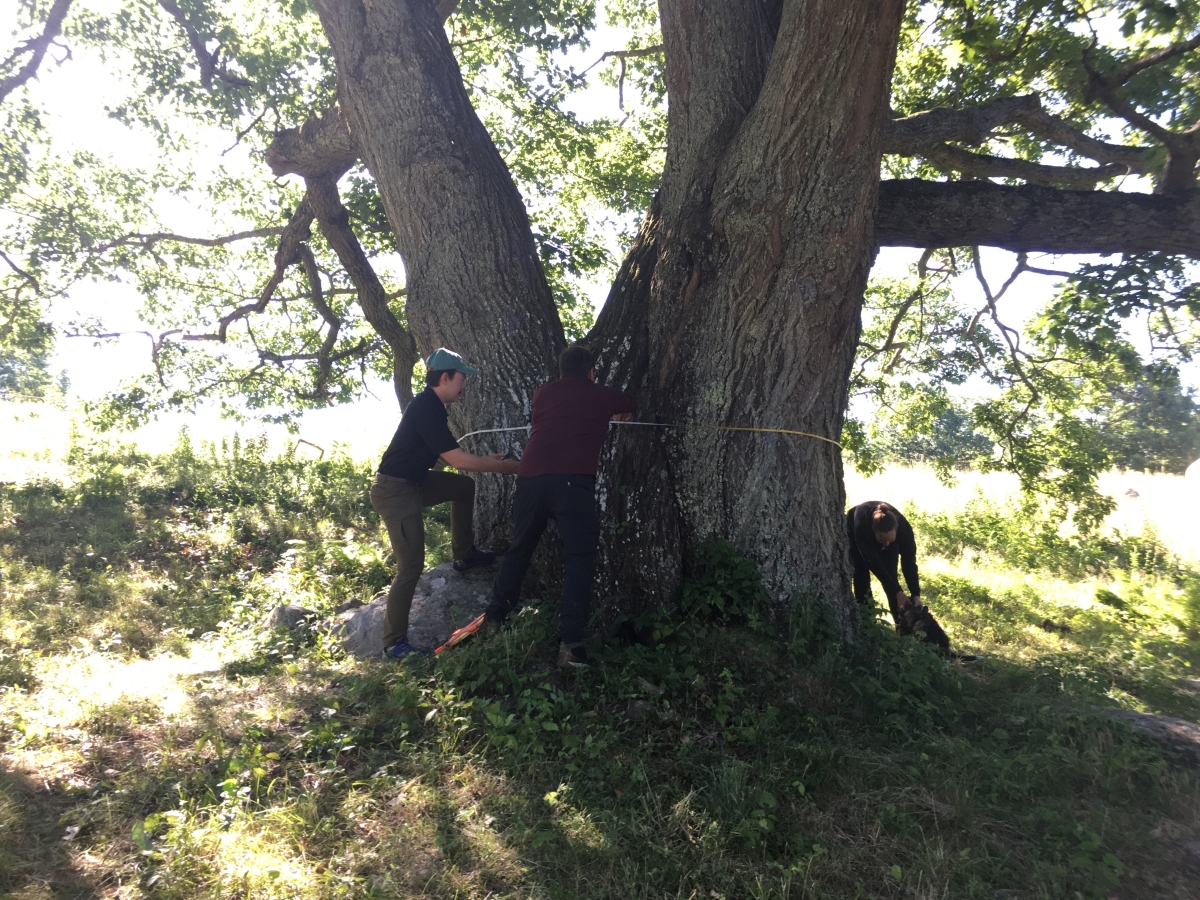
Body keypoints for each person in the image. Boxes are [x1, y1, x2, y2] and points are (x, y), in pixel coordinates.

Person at [484, 344, 636, 668]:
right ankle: (571, 644)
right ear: (591, 371)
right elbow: (628, 402)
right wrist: (618, 410)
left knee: (520, 548)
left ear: (562, 370)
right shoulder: (600, 394)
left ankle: (494, 619)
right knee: (579, 558)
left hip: (530, 478)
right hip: (573, 482)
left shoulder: (543, 393)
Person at [372, 348, 519, 659]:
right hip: (395, 491)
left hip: (415, 483)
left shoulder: (433, 407)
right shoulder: (426, 406)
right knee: (411, 564)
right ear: (445, 378)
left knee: (463, 487)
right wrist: (500, 466)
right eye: (461, 378)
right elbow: (456, 459)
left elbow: (447, 455)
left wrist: (486, 460)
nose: (464, 385)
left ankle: (464, 555)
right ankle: (393, 643)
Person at [846, 500, 949, 651]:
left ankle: (902, 631)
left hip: (885, 537)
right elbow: (874, 564)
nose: (886, 544)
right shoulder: (862, 525)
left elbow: (909, 563)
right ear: (875, 532)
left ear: (896, 531)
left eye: (891, 539)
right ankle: (866, 624)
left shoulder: (904, 530)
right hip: (858, 538)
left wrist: (915, 594)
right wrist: (898, 591)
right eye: (882, 540)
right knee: (862, 578)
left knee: (893, 583)